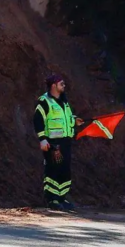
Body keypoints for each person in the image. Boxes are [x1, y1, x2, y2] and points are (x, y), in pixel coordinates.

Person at [33, 74, 84, 211]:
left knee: (64, 169)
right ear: (54, 85)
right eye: (62, 84)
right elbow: (38, 120)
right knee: (53, 169)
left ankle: (62, 198)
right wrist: (42, 139)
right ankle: (52, 199)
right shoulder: (44, 101)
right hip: (52, 142)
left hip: (66, 141)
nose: (64, 86)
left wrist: (75, 120)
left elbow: (64, 119)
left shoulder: (63, 101)